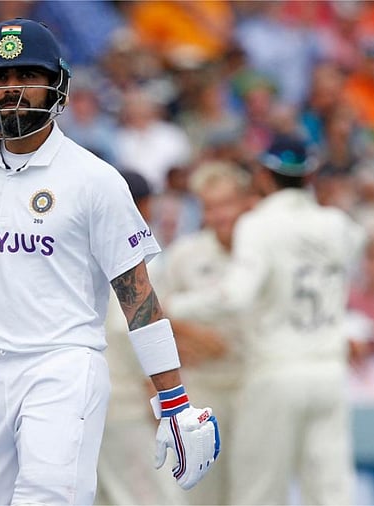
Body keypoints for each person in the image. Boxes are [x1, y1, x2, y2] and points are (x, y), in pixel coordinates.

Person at [0, 18, 220, 505]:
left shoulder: (95, 179)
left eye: (26, 76)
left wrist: (174, 402)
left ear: (56, 83)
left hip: (64, 367)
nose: (10, 91)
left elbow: (138, 296)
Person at [166, 135, 366, 505]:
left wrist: (176, 307)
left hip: (275, 369)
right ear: (311, 174)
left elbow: (237, 296)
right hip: (329, 370)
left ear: (264, 177)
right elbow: (354, 247)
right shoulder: (338, 224)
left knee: (259, 493)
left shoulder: (259, 224)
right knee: (331, 490)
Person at [156, 161, 255, 505]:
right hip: (202, 389)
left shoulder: (261, 251)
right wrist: (197, 338)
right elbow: (154, 315)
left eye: (226, 203)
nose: (219, 215)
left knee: (252, 491)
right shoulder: (185, 254)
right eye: (210, 206)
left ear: (246, 202)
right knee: (198, 493)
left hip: (252, 385)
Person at [95, 169, 188, 505]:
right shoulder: (129, 251)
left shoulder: (89, 243)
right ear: (144, 205)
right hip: (130, 403)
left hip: (96, 397)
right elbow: (130, 331)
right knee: (145, 497)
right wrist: (163, 399)